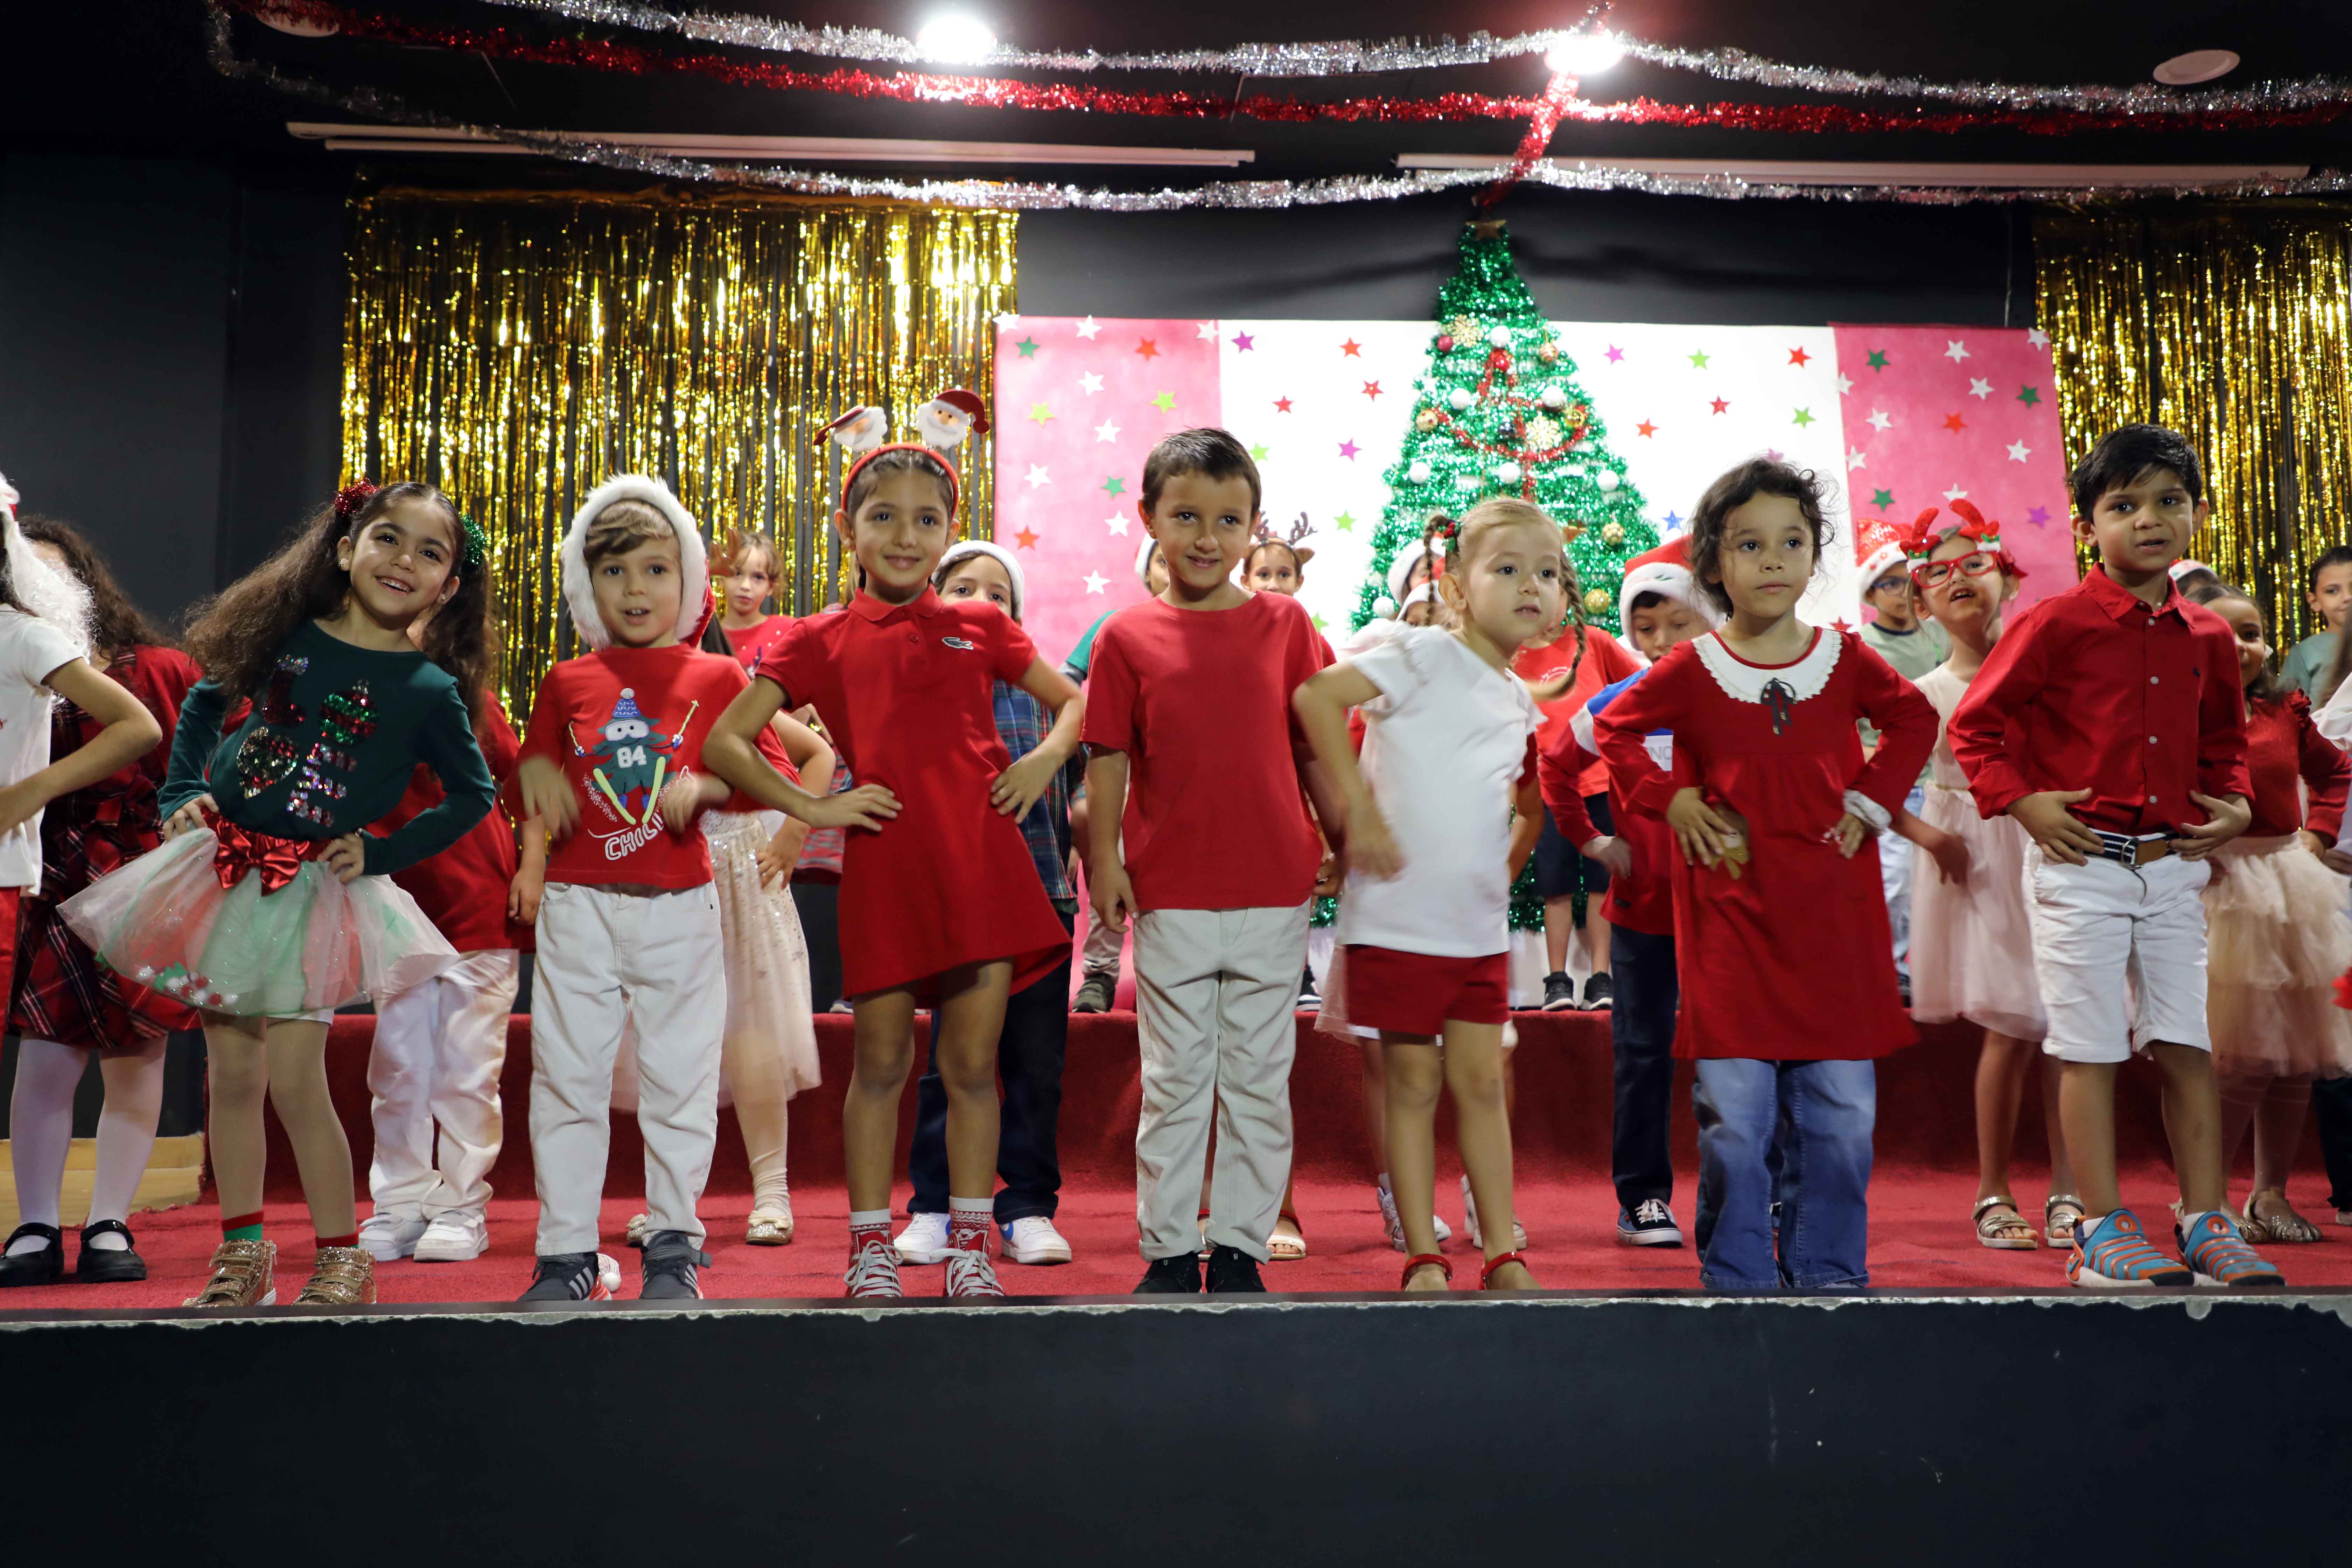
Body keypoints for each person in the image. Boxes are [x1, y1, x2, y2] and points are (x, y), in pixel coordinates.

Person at [62, 480, 498, 1309]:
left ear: (448, 586)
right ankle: (243, 1255)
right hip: (227, 870)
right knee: (231, 1074)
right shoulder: (289, 636)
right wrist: (182, 789)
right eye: (388, 538)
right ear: (347, 547)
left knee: (297, 1078)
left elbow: (472, 794)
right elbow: (204, 703)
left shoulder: (427, 689)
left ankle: (341, 1258)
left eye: (430, 552)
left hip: (310, 890)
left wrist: (382, 852)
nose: (403, 560)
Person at [705, 398, 1079, 1302]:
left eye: (927, 519)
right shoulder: (818, 638)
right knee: (880, 1065)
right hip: (887, 868)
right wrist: (812, 804)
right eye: (884, 517)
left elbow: (1076, 701)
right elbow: (725, 740)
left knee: (973, 1067)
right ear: (848, 527)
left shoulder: (981, 625)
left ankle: (969, 1249)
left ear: (950, 529)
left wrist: (1041, 762)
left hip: (982, 866)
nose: (906, 537)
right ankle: (870, 1246)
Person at [512, 475, 873, 1303]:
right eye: (613, 572)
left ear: (688, 580)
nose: (635, 589)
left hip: (679, 903)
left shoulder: (716, 677)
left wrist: (711, 787)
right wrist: (537, 822)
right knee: (567, 1078)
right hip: (578, 905)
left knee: (681, 1078)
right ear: (585, 584)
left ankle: (675, 1246)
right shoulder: (567, 680)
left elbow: (772, 774)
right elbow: (534, 770)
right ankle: (565, 1254)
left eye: (655, 569)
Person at [1947, 423, 2282, 1289]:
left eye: (2170, 501)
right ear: (2087, 525)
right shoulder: (2053, 622)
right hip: (2081, 864)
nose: (2149, 520)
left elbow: (2224, 743)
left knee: (2187, 1042)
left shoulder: (2207, 635)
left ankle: (2206, 1221)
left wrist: (2236, 801)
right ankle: (2099, 1228)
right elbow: (1975, 726)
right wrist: (2022, 801)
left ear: (2198, 513)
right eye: (2124, 505)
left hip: (2174, 865)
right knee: (2089, 1044)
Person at [1594, 460, 1936, 1292]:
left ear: (1814, 555)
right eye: (1750, 545)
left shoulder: (1844, 659)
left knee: (1844, 1118)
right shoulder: (1692, 667)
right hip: (1731, 926)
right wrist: (1670, 799)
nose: (1774, 559)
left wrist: (1872, 799)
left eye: (1792, 542)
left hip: (1835, 924)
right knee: (1735, 1124)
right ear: (1715, 564)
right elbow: (1616, 731)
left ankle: (1828, 1275)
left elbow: (1913, 718)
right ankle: (1740, 1276)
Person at [1083, 427, 1341, 1295]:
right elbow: (1108, 756)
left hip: (1273, 886)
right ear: (1150, 517)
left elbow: (1313, 745)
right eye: (1186, 516)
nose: (1206, 537)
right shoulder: (1125, 636)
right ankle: (1166, 1249)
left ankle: (1239, 1247)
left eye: (1229, 520)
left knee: (1260, 1080)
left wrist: (1341, 836)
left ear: (1253, 527)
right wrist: (1108, 862)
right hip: (1173, 891)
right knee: (1176, 1079)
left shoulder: (1286, 624)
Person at [1296, 501, 1565, 1290]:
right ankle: (1423, 1253)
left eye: (1547, 573)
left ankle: (1502, 1253)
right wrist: (1356, 811)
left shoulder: (1517, 701)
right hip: (1397, 921)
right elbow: (1315, 698)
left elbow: (1522, 807)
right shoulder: (1419, 653)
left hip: (1475, 931)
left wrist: (1497, 872)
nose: (1531, 586)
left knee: (1481, 1084)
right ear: (1455, 586)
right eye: (1508, 569)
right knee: (1413, 1085)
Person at [0, 509, 188, 1288]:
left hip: (139, 872)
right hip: (49, 871)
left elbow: (201, 757)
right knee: (46, 1059)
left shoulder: (159, 669)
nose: (40, 581)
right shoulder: (19, 656)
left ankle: (111, 1220)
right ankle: (36, 1224)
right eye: (26, 567)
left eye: (56, 569)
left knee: (139, 1056)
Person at [1890, 502, 2078, 1251]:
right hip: (1978, 864)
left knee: (2066, 1021)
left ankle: (2070, 1187)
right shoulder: (1928, 692)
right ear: (1922, 603)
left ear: (2009, 577)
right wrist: (1932, 837)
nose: (1959, 579)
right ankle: (1993, 1190)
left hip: (2052, 848)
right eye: (1939, 574)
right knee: (2009, 1023)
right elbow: (1873, 788)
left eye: (1975, 565)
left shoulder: (2049, 674)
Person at [894, 541, 1082, 1268]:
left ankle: (1028, 1206)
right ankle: (935, 1205)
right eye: (963, 587)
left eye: (997, 593)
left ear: (1016, 616)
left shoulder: (1045, 692)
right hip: (960, 906)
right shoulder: (918, 682)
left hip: (1041, 896)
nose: (980, 601)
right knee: (952, 1062)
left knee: (1037, 1063)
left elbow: (1082, 782)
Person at [1539, 535, 1721, 1250]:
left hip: (1729, 915)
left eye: (1679, 620)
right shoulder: (1616, 702)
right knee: (1643, 1054)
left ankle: (1748, 1194)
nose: (1663, 639)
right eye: (1646, 627)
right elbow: (1556, 770)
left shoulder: (1735, 699)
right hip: (1644, 915)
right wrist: (1591, 841)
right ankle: (1642, 1197)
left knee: (1737, 1057)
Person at [2180, 576, 2352, 1242]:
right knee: (2239, 1059)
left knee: (2296, 1055)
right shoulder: (2174, 717)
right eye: (2221, 634)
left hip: (2289, 886)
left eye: (2250, 634)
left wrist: (2320, 834)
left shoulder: (2285, 710)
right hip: (2219, 890)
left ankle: (2270, 1194)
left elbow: (2334, 773)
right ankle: (2206, 1197)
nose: (2239, 647)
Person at [357, 681, 541, 1266]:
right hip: (394, 903)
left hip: (479, 900)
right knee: (398, 1068)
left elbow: (524, 784)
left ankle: (462, 1204)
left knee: (467, 1071)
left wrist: (533, 866)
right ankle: (400, 1203)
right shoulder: (353, 697)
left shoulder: (471, 698)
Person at [1518, 573, 1640, 1011]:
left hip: (1603, 786)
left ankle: (1601, 978)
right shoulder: (1513, 657)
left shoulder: (1596, 642)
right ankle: (1557, 981)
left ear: (1568, 597)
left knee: (1604, 884)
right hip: (1549, 794)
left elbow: (1641, 688)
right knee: (1557, 888)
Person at [1068, 536, 1172, 1014]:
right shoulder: (1118, 624)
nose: (1172, 569)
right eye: (1161, 561)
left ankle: (1168, 978)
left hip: (1180, 780)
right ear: (1146, 572)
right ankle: (1100, 973)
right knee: (1109, 863)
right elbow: (1066, 680)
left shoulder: (1219, 629)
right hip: (1121, 772)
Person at [1854, 515, 1949, 1003]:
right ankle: (1892, 968)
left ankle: (1941, 968)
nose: (1901, 592)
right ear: (1870, 593)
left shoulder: (1941, 638)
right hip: (1898, 784)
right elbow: (1852, 726)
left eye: (1907, 580)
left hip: (1946, 782)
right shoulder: (1863, 649)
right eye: (1888, 583)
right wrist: (1875, 760)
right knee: (1897, 880)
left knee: (1945, 879)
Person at [709, 528, 793, 675]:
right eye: (737, 574)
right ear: (722, 578)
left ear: (771, 586)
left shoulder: (790, 631)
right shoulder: (707, 636)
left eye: (758, 577)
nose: (746, 586)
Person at [2284, 545, 2352, 703]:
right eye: (2332, 591)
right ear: (2314, 601)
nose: (2347, 597)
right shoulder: (2304, 654)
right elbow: (2289, 711)